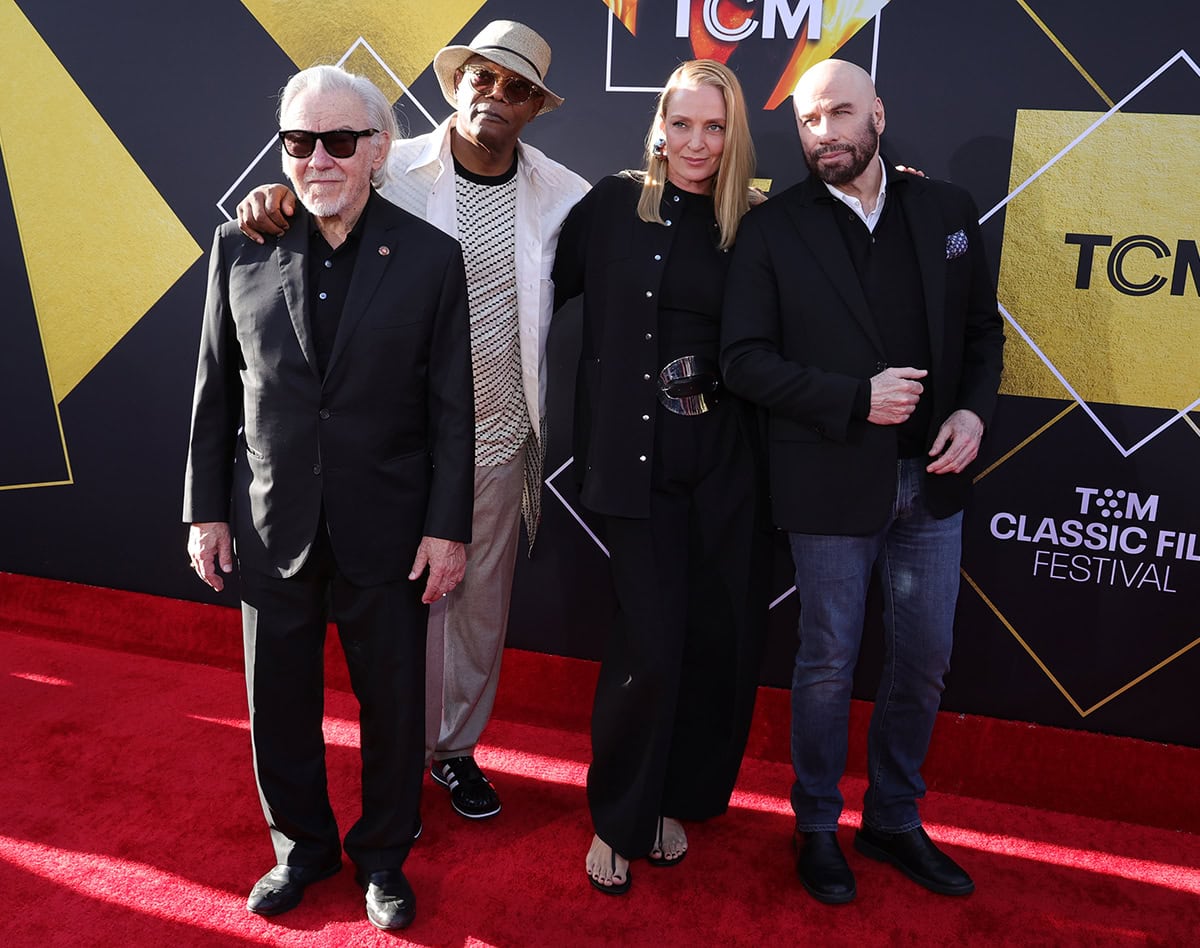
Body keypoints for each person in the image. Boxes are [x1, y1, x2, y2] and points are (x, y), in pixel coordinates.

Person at [236, 20, 590, 821]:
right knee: (383, 616)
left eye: (516, 88)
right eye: (481, 77)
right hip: (387, 441)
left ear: (535, 107)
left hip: (496, 435)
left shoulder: (563, 195)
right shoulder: (385, 164)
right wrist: (275, 197)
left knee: (475, 607)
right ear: (454, 80)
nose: (493, 96)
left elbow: (649, 219)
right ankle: (381, 768)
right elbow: (319, 184)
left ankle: (453, 751)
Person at [183, 65, 474, 930]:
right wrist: (205, 509)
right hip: (274, 528)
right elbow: (214, 393)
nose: (317, 160)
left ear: (378, 151)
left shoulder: (430, 259)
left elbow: (454, 410)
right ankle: (300, 849)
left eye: (339, 141)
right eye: (299, 142)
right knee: (277, 707)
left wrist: (446, 529)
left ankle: (383, 857)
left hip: (388, 529)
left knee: (392, 711)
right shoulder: (241, 247)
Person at [719, 59, 1005, 904]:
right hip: (830, 481)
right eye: (809, 121)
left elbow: (983, 335)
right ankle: (815, 828)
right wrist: (854, 399)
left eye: (840, 115)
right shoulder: (773, 228)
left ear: (878, 114)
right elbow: (742, 362)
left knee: (923, 664)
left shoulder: (946, 210)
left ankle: (893, 818)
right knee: (827, 663)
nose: (824, 135)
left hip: (933, 482)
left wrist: (975, 414)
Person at [552, 59, 770, 895]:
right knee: (649, 642)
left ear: (734, 134)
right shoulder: (609, 207)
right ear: (658, 127)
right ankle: (618, 816)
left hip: (724, 468)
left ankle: (672, 799)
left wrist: (902, 195)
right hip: (631, 467)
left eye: (714, 127)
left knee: (711, 641)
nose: (697, 143)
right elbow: (538, 286)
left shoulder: (754, 223)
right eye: (682, 124)